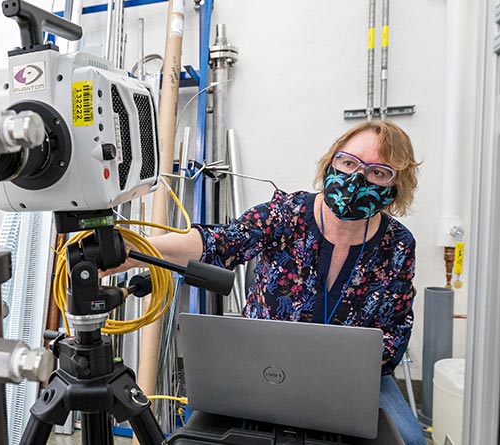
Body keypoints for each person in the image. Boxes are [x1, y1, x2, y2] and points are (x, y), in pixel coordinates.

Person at [115, 120, 425, 444]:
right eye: (348, 162)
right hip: (265, 367)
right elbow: (219, 242)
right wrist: (135, 250)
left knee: (408, 440)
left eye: (378, 172)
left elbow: (394, 334)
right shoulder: (287, 214)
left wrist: (341, 373)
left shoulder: (398, 245)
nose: (356, 178)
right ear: (332, 160)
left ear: (396, 185)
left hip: (352, 379)